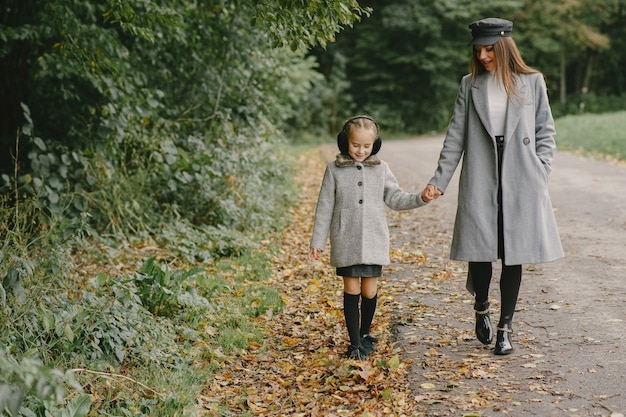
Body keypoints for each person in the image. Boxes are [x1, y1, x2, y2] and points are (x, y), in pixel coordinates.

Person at [421, 18, 564, 355]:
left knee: (514, 253)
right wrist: (438, 180)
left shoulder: (532, 82)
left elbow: (546, 130)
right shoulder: (469, 84)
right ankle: (482, 307)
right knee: (481, 249)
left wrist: (541, 169)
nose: (483, 55)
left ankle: (505, 327)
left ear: (504, 46)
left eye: (488, 49)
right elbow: (455, 136)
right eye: (478, 50)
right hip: (482, 172)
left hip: (521, 176)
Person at [309, 115, 428, 360]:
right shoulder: (334, 170)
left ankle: (364, 334)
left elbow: (396, 198)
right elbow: (324, 207)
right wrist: (317, 242)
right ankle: (354, 343)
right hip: (346, 238)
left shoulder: (381, 169)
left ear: (376, 144)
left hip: (374, 238)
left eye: (367, 146)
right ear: (345, 142)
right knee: (351, 289)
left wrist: (421, 198)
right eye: (355, 145)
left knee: (370, 291)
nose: (361, 150)